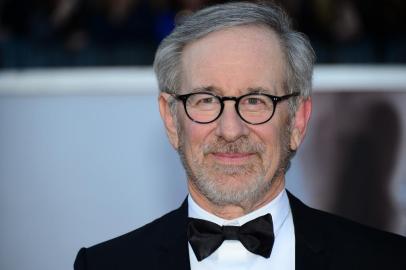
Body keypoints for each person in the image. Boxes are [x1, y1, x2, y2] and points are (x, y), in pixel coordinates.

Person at [74, 2, 406, 269]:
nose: (231, 129)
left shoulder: (387, 260)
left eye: (255, 100)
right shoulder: (105, 264)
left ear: (298, 121)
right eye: (205, 100)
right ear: (171, 119)